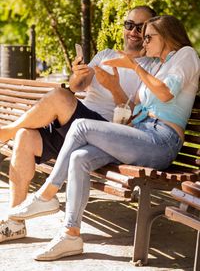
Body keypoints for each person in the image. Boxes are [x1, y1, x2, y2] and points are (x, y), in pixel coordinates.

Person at [8, 15, 200, 261]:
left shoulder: (186, 55)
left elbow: (165, 94)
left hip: (162, 140)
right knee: (79, 157)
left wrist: (136, 67)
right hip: (142, 134)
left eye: (149, 37)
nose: (144, 42)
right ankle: (71, 235)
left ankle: (46, 195)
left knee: (81, 127)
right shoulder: (160, 64)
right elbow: (137, 107)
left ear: (167, 36)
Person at [0, 5, 157, 242]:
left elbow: (135, 116)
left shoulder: (150, 68)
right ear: (123, 27)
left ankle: (5, 133)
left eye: (140, 26)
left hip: (106, 132)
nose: (133, 31)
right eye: (129, 25)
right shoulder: (105, 55)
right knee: (25, 136)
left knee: (59, 96)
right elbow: (76, 87)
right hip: (75, 124)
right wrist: (77, 74)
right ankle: (14, 222)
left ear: (149, 32)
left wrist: (115, 88)